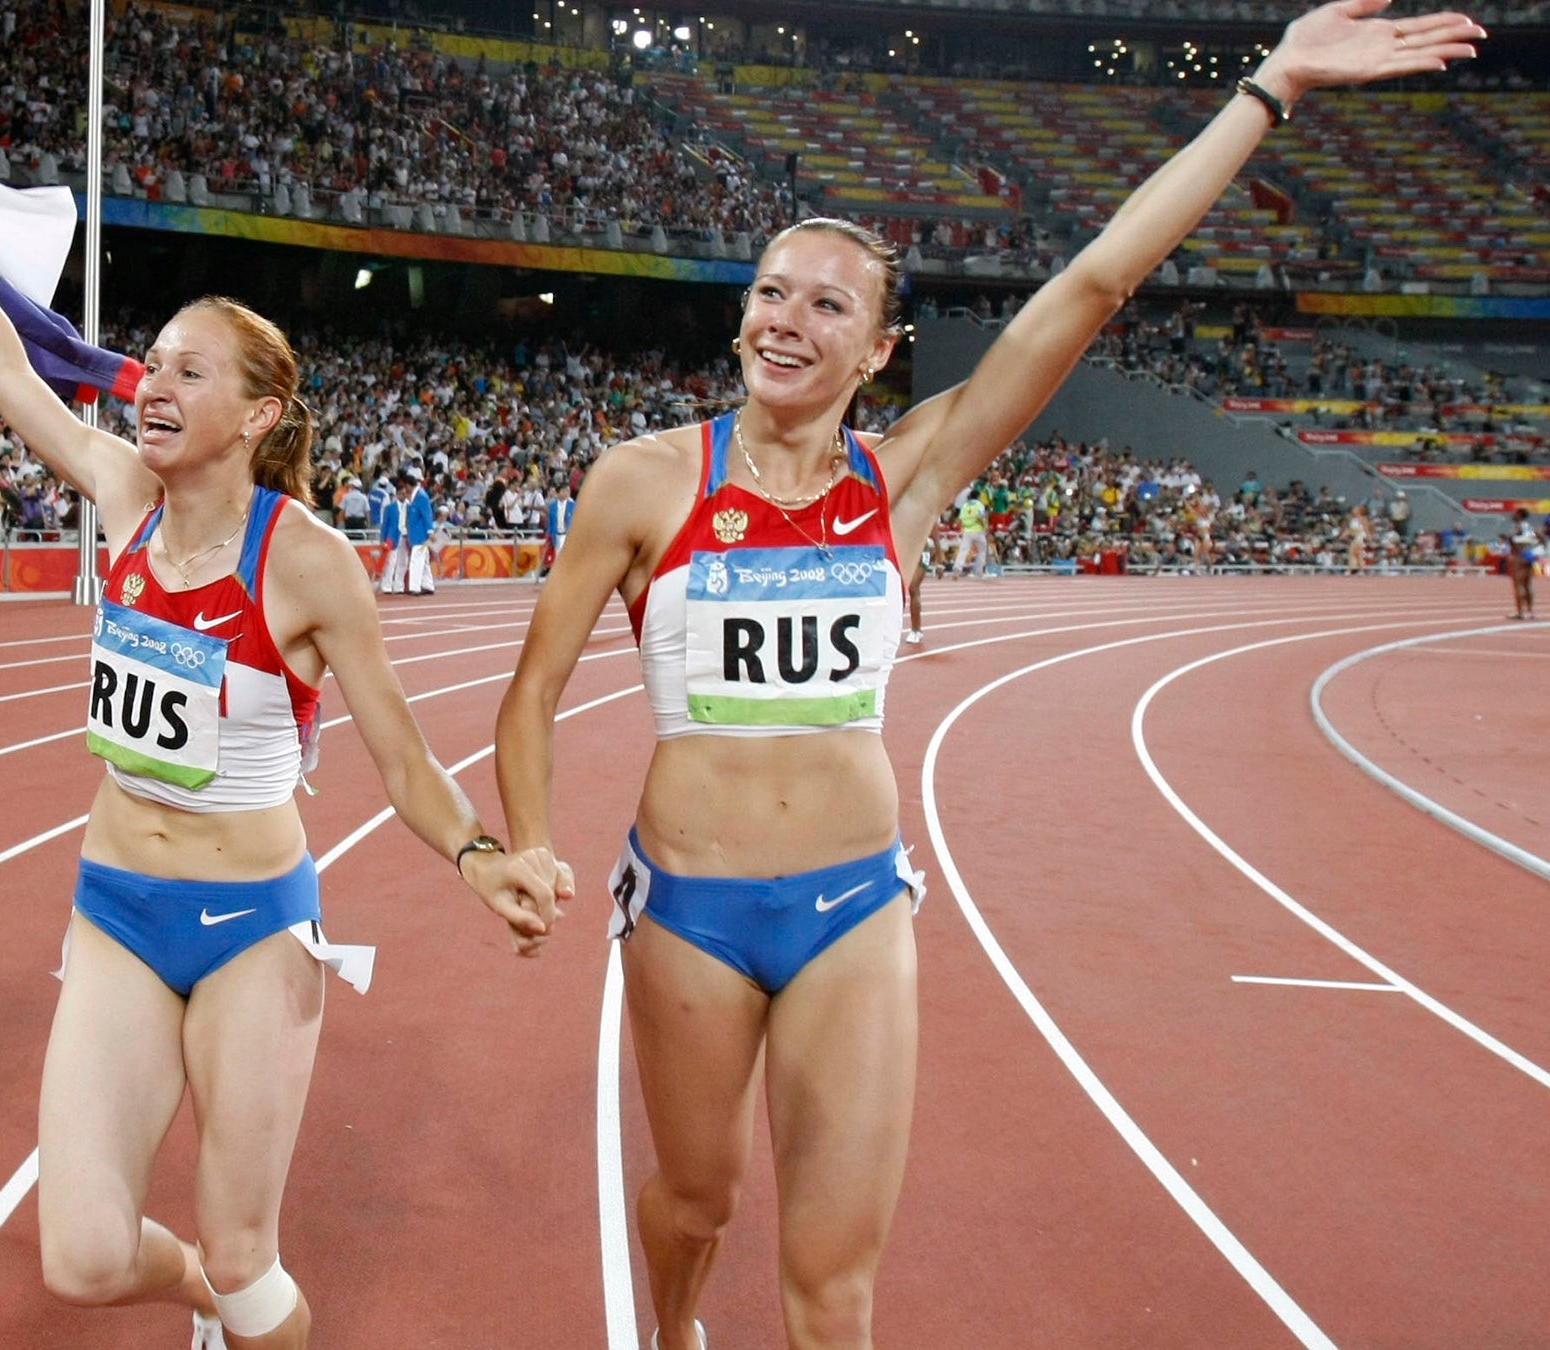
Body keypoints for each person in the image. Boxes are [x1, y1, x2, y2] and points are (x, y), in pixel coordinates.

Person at [494, 8, 1479, 1347]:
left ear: (880, 349)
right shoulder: (644, 481)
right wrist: (531, 845)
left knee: (835, 1286)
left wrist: (1272, 87)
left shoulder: (907, 477)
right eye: (772, 292)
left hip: (852, 904)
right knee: (699, 1192)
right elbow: (532, 686)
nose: (788, 320)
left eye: (828, 303)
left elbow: (1092, 285)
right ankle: (674, 1327)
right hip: (689, 906)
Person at [0, 142, 560, 1350]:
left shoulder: (305, 560)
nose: (149, 384)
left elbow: (402, 757)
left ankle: (237, 1301)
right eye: (148, 363)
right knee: (86, 1258)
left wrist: (482, 858)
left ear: (257, 413)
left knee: (254, 1264)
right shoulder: (122, 496)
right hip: (115, 911)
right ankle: (198, 1292)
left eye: (186, 372)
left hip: (253, 925)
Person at [1509, 506, 1539, 620]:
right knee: (1528, 585)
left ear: (1520, 515)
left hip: (1519, 557)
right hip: (1529, 556)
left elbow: (1514, 540)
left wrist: (1515, 552)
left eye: (1515, 513)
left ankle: (1520, 612)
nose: (1513, 515)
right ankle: (1530, 611)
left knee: (1518, 585)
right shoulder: (1529, 527)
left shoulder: (1518, 526)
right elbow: (1535, 540)